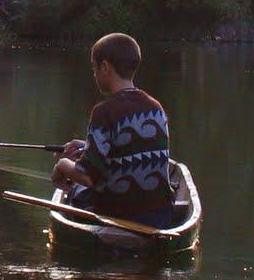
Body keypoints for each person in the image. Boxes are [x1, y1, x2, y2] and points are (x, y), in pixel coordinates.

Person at [50, 33, 174, 228]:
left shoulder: (104, 112)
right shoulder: (155, 107)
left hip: (117, 215)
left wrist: (62, 165)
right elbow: (132, 146)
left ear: (105, 67)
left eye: (94, 68)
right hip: (160, 215)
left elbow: (89, 176)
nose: (94, 74)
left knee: (79, 193)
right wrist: (86, 146)